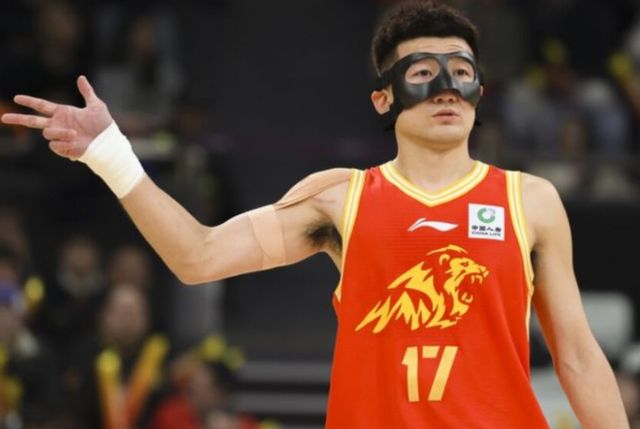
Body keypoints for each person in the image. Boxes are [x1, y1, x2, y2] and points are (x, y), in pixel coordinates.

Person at [0, 1, 628, 427]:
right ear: (383, 98)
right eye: (423, 72)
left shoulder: (530, 199)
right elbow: (198, 257)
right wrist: (111, 154)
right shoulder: (339, 198)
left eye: (462, 73)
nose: (446, 87)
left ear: (480, 94)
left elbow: (576, 355)